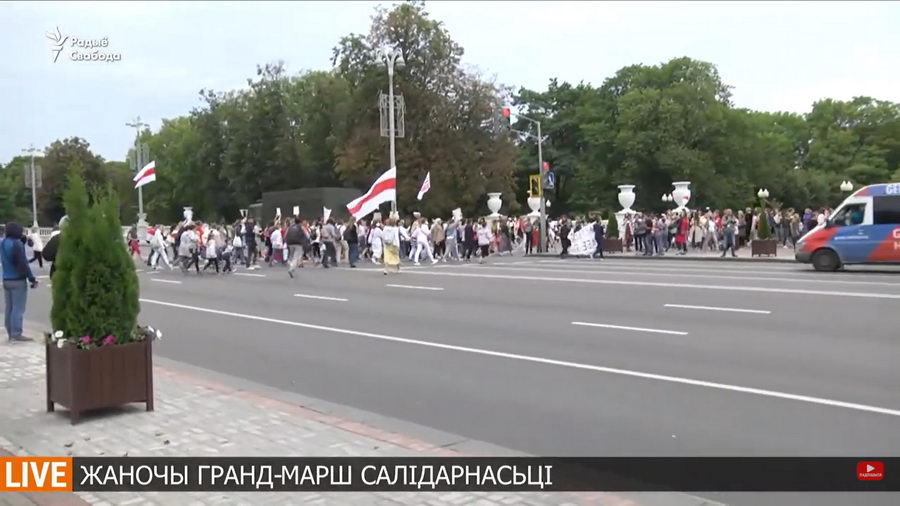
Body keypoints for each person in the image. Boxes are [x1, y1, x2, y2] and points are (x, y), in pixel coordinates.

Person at [2, 223, 38, 342]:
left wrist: (23, 241)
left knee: (9, 308)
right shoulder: (17, 244)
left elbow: (11, 254)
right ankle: (17, 333)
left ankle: (10, 332)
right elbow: (22, 263)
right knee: (18, 308)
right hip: (18, 279)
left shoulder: (3, 242)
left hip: (6, 279)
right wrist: (31, 278)